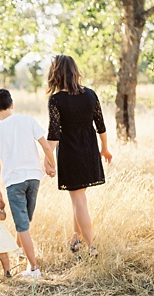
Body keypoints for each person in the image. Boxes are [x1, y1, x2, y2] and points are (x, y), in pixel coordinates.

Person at [45, 54, 112, 257]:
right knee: (78, 197)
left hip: (71, 152)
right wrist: (105, 148)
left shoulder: (56, 100)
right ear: (74, 72)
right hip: (89, 150)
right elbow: (100, 125)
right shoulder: (90, 94)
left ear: (56, 73)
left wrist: (47, 160)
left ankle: (91, 246)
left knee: (78, 200)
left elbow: (54, 134)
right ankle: (77, 238)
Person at [0, 88, 56, 278]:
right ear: (12, 104)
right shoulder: (27, 120)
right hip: (34, 177)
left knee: (22, 225)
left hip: (14, 181)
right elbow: (46, 146)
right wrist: (52, 166)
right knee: (26, 220)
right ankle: (19, 250)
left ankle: (34, 268)